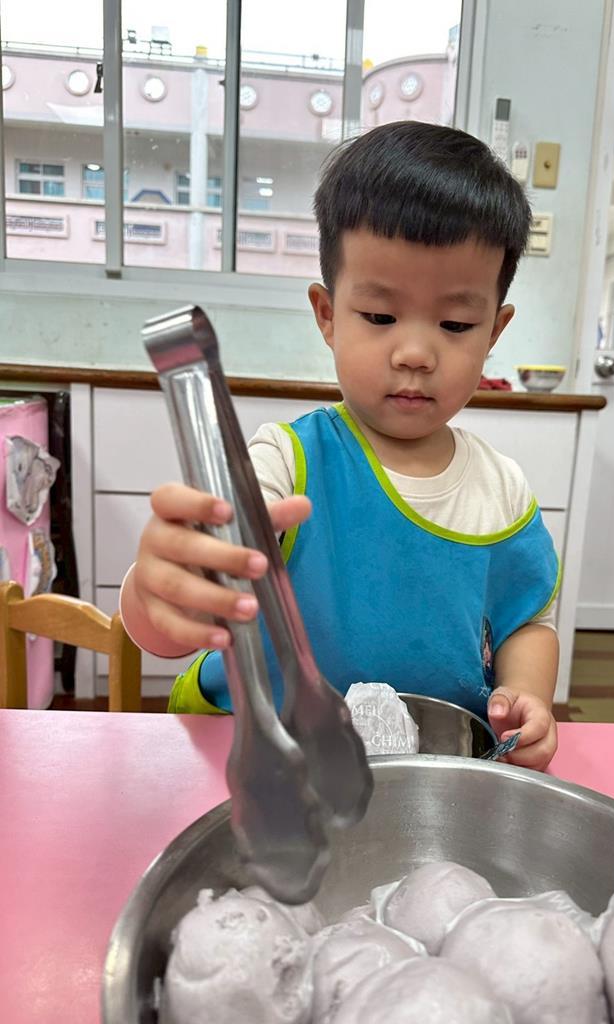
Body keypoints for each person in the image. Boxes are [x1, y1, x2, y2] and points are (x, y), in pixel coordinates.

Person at [120, 120, 562, 771]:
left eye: (455, 323)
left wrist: (526, 695)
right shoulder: (282, 465)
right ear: (327, 315)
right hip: (262, 761)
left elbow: (526, 620)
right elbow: (179, 609)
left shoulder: (500, 491)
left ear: (494, 331)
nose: (414, 352)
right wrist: (162, 590)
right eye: (380, 317)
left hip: (432, 770)